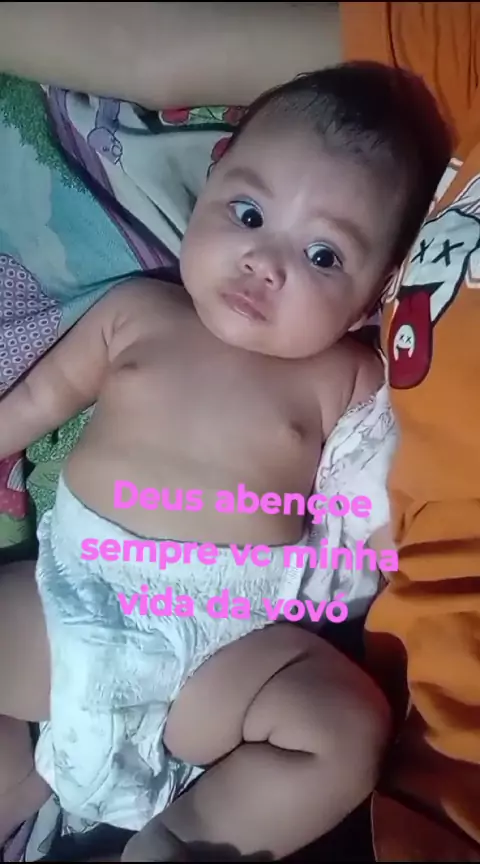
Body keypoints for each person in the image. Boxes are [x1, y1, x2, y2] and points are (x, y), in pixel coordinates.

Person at [1, 2, 480, 861]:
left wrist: (358, 563)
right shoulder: (137, 314)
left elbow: (375, 509)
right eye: (249, 214)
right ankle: (21, 777)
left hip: (223, 649)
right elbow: (37, 401)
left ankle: (182, 840)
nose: (266, 261)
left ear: (372, 298)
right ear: (213, 178)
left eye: (324, 256)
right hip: (71, 602)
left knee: (344, 728)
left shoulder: (347, 378)